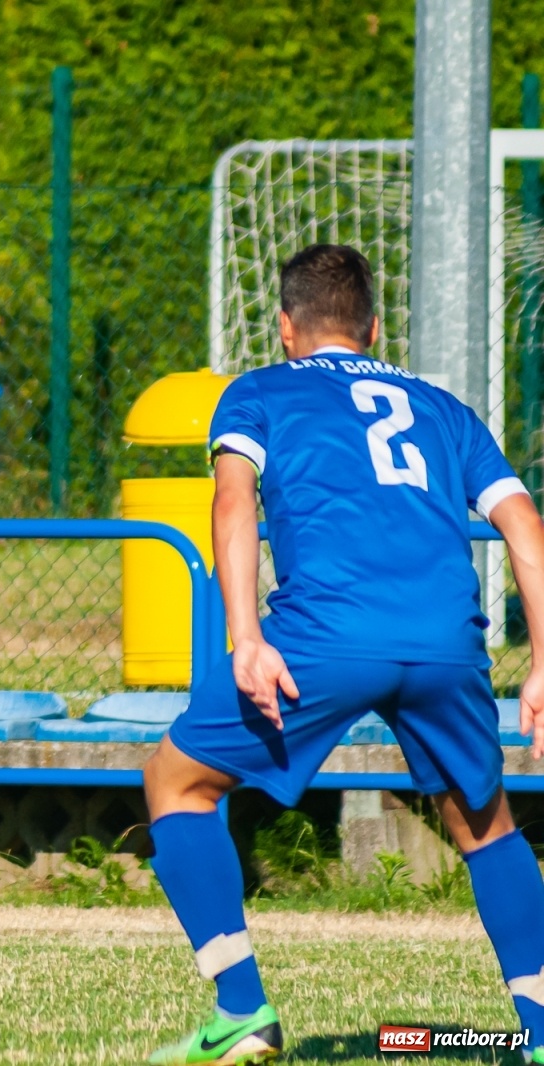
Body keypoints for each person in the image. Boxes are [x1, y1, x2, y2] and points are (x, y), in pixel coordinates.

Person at [141, 243, 544, 1065]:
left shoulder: (255, 391)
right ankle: (539, 1029)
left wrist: (245, 637)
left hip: (323, 634)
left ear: (287, 326)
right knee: (486, 824)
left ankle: (241, 1013)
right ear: (372, 327)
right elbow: (525, 530)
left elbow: (231, 504)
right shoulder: (440, 405)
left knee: (175, 780)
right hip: (446, 640)